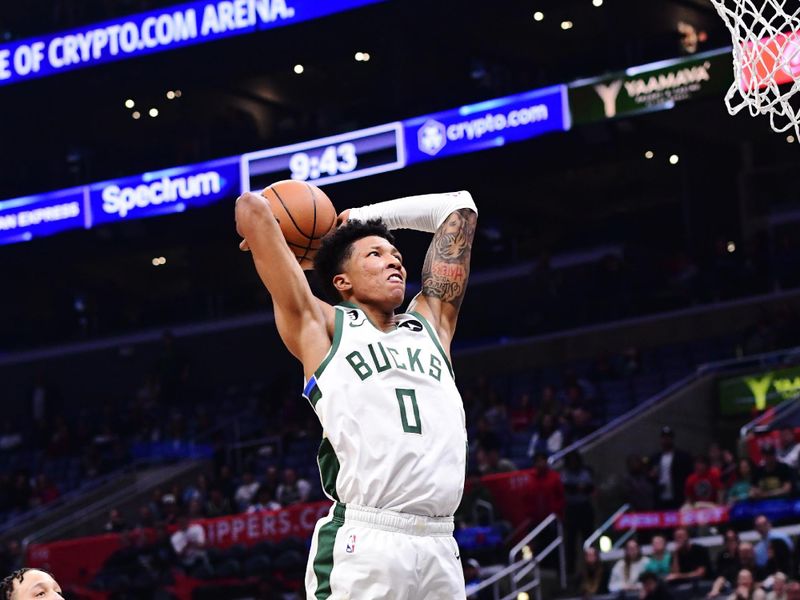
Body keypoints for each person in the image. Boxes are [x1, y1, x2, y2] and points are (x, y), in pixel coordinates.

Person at [236, 188, 478, 598]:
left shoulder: (432, 325)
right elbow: (252, 208)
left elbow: (460, 208)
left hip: (441, 542)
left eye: (396, 256)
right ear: (341, 280)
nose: (394, 262)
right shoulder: (323, 326)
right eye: (375, 255)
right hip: (367, 540)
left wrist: (366, 216)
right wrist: (323, 239)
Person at [561, 451, 595, 574]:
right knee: (570, 543)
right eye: (571, 461)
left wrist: (579, 488)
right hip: (571, 510)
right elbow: (567, 489)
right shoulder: (565, 473)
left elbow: (589, 488)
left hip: (585, 508)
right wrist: (577, 488)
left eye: (575, 461)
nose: (573, 464)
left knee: (589, 541)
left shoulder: (585, 472)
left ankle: (593, 569)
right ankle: (570, 572)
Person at [649, 426, 693, 509]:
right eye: (664, 437)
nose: (666, 440)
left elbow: (688, 475)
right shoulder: (655, 457)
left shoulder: (682, 456)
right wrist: (652, 475)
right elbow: (650, 476)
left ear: (672, 439)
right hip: (660, 496)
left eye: (668, 437)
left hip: (677, 495)